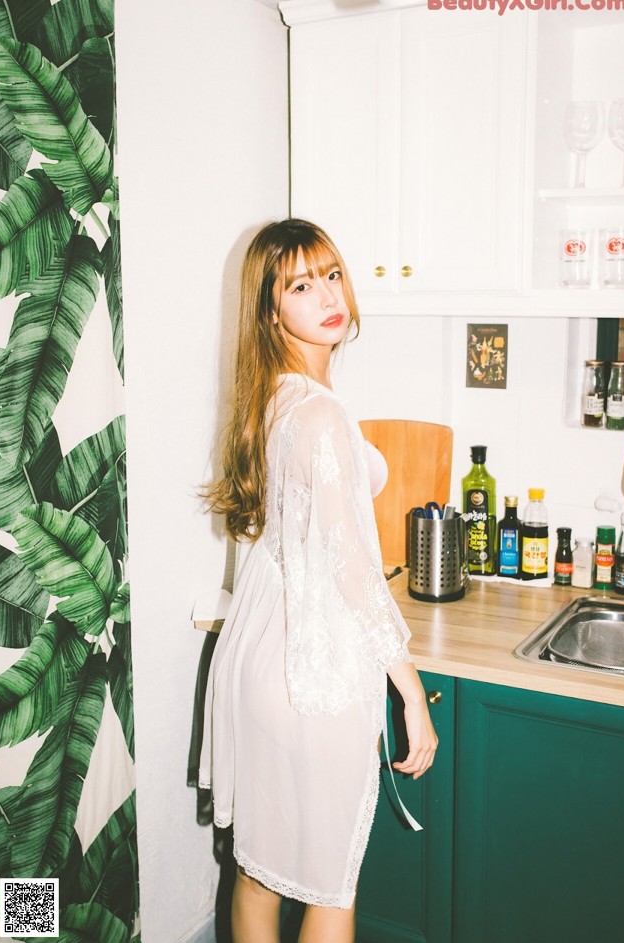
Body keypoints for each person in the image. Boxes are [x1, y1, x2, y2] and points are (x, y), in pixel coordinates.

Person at [199, 219, 438, 943]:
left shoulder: (270, 396)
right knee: (330, 884)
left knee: (260, 870)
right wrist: (409, 687)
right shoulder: (321, 412)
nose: (329, 294)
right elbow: (351, 569)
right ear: (273, 310)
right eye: (300, 285)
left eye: (331, 273)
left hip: (252, 664)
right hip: (314, 673)